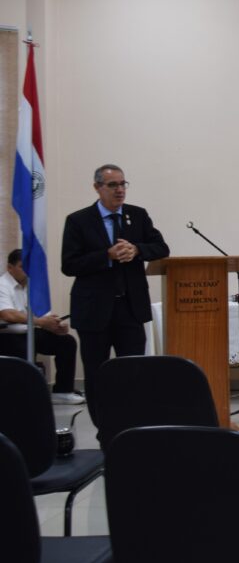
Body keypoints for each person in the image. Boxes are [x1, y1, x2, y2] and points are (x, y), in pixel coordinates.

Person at [61, 164, 169, 413]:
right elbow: (69, 265)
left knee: (133, 372)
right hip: (94, 311)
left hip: (130, 309)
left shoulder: (137, 215)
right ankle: (103, 428)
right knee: (97, 374)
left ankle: (132, 423)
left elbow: (161, 248)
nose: (120, 190)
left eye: (123, 184)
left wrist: (137, 249)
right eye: (112, 185)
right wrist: (106, 256)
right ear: (97, 187)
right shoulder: (78, 220)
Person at [0, 249, 84, 404]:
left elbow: (43, 315)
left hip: (30, 332)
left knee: (66, 342)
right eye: (22, 267)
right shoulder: (2, 285)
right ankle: (24, 395)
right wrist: (40, 322)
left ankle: (62, 391)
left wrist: (54, 326)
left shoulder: (32, 285)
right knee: (24, 346)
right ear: (9, 268)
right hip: (7, 335)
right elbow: (7, 314)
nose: (27, 271)